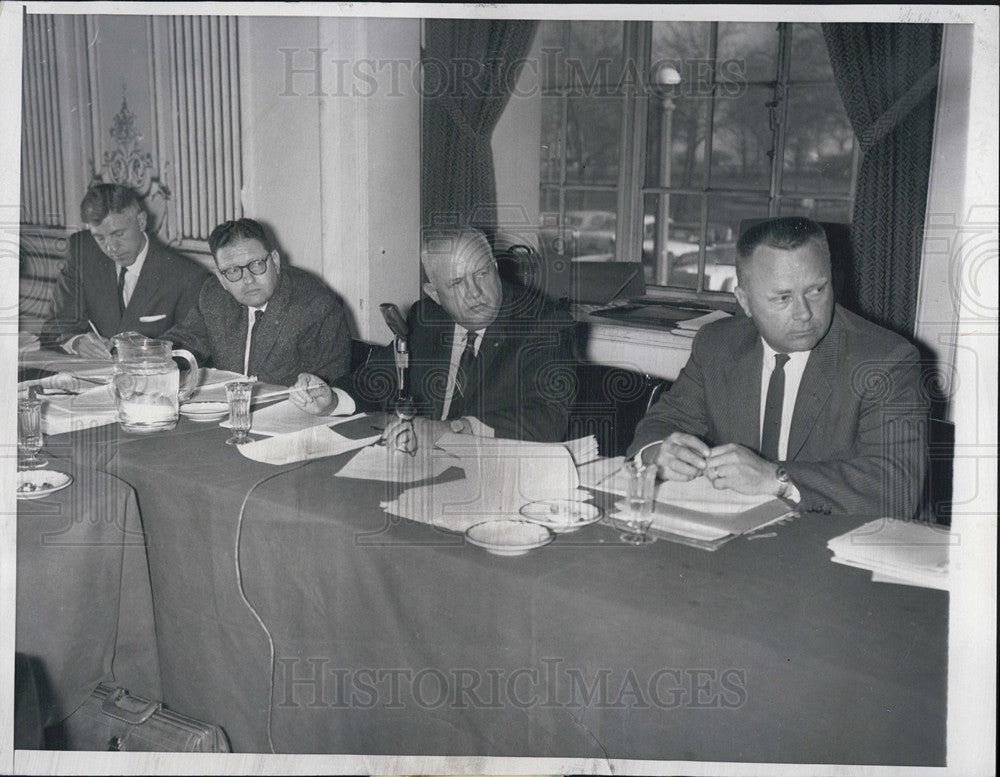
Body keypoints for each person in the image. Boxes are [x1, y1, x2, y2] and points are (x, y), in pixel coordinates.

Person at [629, 216, 926, 517]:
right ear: (745, 302)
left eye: (816, 290)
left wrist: (777, 480)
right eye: (783, 298)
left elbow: (897, 491)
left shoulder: (885, 361)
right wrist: (659, 452)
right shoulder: (717, 345)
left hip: (829, 542)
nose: (804, 313)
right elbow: (664, 423)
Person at [289, 228, 576, 446]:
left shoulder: (544, 322)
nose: (475, 292)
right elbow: (379, 381)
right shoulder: (428, 318)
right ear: (435, 294)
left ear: (496, 268)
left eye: (482, 274)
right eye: (457, 283)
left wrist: (448, 430)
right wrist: (331, 401)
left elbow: (548, 418)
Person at [162, 218, 350, 386]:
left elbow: (329, 383)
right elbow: (185, 340)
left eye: (256, 264)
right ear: (222, 279)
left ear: (275, 261)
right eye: (233, 271)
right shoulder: (215, 295)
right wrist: (144, 356)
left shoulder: (315, 305)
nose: (248, 279)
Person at [40, 184, 206, 357]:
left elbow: (193, 347)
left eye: (118, 234)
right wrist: (76, 342)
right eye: (99, 237)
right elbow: (54, 326)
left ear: (141, 222)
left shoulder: (186, 276)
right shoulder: (83, 252)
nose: (111, 248)